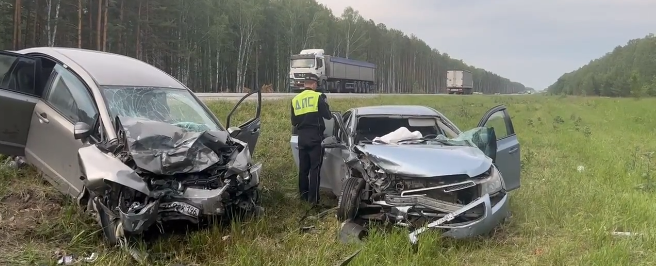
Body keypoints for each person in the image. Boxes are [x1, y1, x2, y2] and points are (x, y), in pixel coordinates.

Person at [290, 73, 332, 205]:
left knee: (303, 170)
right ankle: (313, 200)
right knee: (315, 170)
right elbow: (328, 116)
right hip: (315, 137)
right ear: (314, 84)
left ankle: (303, 197)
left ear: (304, 84)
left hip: (302, 137)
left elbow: (294, 122)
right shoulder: (318, 96)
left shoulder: (295, 99)